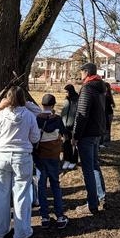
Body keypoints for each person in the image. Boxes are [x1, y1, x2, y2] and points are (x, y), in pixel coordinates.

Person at [0, 87, 40, 238]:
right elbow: (35, 138)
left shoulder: (1, 114)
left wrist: (1, 106)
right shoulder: (29, 116)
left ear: (7, 99)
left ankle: (0, 231)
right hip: (22, 158)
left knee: (1, 195)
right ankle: (22, 232)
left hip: (2, 157)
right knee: (21, 195)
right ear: (23, 99)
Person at [72, 63, 107, 214]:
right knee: (94, 166)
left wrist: (75, 135)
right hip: (97, 132)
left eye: (81, 72)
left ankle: (92, 204)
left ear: (86, 72)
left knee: (88, 169)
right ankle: (101, 196)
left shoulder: (87, 88)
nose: (80, 75)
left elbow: (82, 113)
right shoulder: (100, 88)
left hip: (87, 134)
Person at [35, 94, 68, 229]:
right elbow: (65, 134)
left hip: (40, 155)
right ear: (53, 105)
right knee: (55, 184)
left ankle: (44, 217)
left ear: (42, 105)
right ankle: (60, 216)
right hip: (54, 156)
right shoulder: (58, 119)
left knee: (41, 186)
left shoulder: (37, 119)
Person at [60, 84, 79, 170]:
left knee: (73, 144)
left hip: (73, 126)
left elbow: (76, 114)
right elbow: (63, 112)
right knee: (65, 144)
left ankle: (73, 161)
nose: (66, 93)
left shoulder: (77, 100)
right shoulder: (66, 100)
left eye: (67, 91)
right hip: (65, 126)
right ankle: (66, 159)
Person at [102, 81, 115, 147]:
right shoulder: (107, 95)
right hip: (108, 113)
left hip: (107, 114)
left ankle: (106, 142)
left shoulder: (106, 96)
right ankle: (105, 141)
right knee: (106, 127)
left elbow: (107, 106)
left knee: (106, 128)